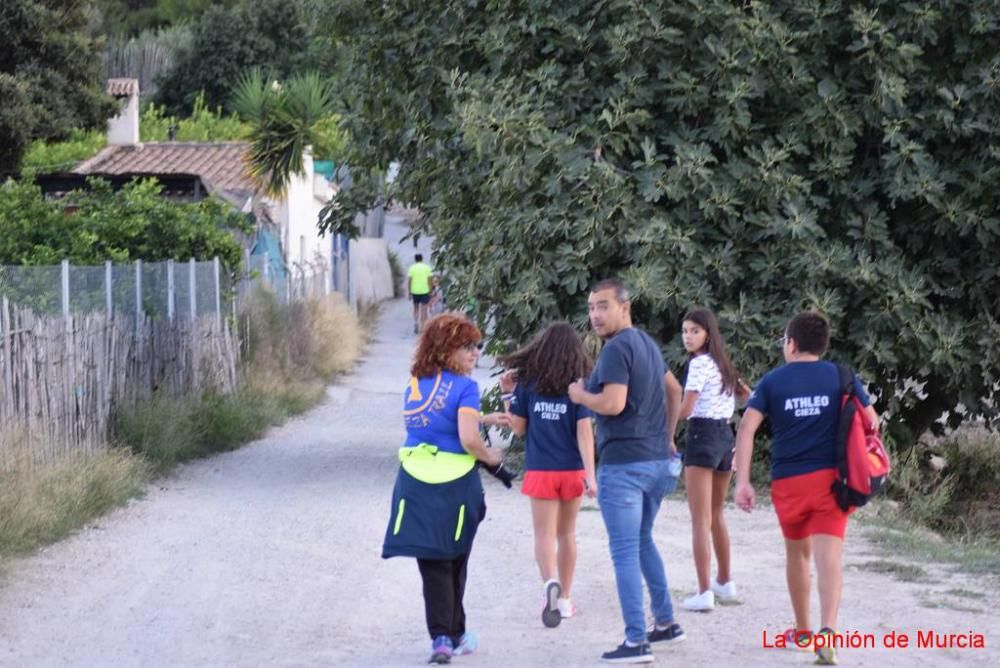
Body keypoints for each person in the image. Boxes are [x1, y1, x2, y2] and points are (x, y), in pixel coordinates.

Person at [734, 311, 879, 666]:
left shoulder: (772, 382)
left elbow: (747, 429)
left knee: (797, 555)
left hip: (788, 483)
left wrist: (743, 481)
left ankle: (802, 630)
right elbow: (872, 420)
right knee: (829, 557)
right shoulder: (842, 376)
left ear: (792, 343)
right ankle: (828, 633)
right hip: (832, 481)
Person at [381, 313, 515, 664]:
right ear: (446, 349)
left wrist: (480, 418)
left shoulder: (415, 381)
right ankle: (454, 633)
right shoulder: (465, 387)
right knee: (456, 559)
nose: (475, 353)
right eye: (467, 347)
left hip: (414, 481)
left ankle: (442, 636)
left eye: (477, 346)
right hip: (454, 485)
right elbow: (468, 440)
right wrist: (494, 460)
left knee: (432, 562)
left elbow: (433, 421)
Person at [567, 279, 686, 664]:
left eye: (603, 306)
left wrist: (581, 395)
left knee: (624, 553)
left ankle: (637, 641)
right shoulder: (647, 344)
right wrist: (666, 437)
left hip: (625, 466)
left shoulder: (617, 348)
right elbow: (674, 391)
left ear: (624, 307)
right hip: (655, 462)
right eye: (590, 308)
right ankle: (666, 622)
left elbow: (614, 404)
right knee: (643, 541)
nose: (595, 315)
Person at [498, 322, 597, 629]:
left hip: (541, 470)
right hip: (571, 471)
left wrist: (506, 395)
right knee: (567, 534)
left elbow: (517, 427)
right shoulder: (580, 386)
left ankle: (549, 584)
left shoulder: (528, 383)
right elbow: (584, 432)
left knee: (543, 535)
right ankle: (565, 599)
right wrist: (591, 476)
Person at [675, 308, 748, 612]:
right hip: (725, 437)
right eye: (685, 331)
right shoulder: (723, 364)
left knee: (699, 519)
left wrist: (660, 419)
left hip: (702, 436)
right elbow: (748, 395)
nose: (688, 337)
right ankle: (725, 582)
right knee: (716, 514)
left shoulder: (699, 365)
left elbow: (687, 409)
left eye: (694, 331)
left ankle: (704, 592)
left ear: (707, 334)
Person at [408, 253, 433, 333]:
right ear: (422, 259)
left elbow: (410, 280)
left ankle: (416, 323)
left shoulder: (412, 268)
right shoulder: (427, 268)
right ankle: (423, 327)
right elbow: (430, 280)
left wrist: (409, 292)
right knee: (424, 309)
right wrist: (430, 290)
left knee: (416, 308)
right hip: (425, 290)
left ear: (415, 259)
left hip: (415, 290)